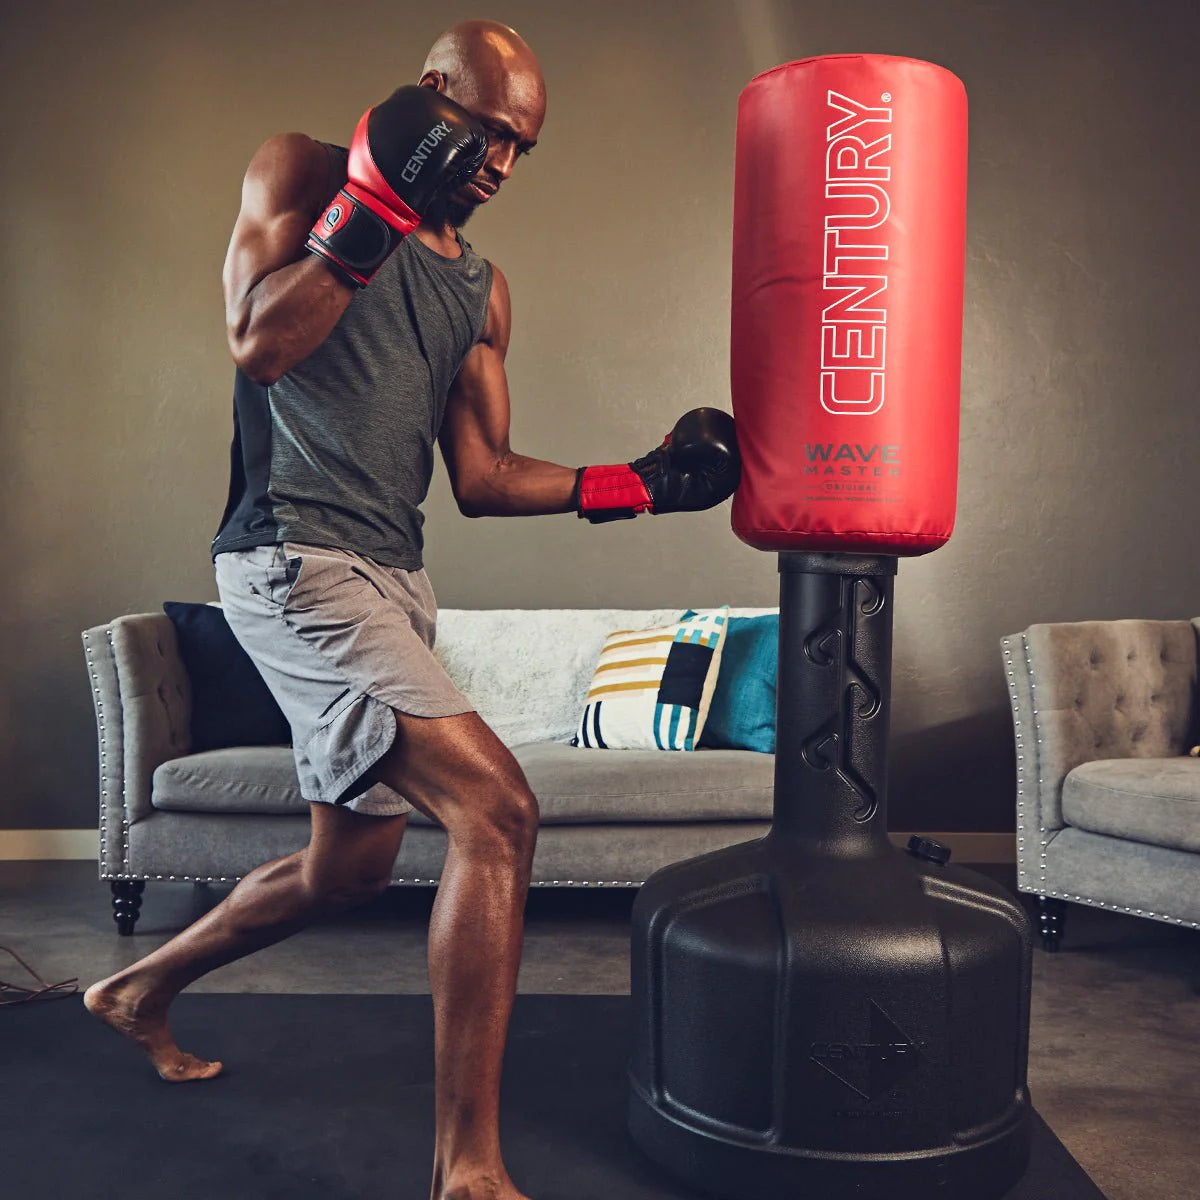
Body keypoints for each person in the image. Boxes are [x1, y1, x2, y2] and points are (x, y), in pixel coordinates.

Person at [83, 18, 738, 1200]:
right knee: (499, 810)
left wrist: (638, 483)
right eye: (486, 133)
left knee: (349, 871)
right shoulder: (301, 171)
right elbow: (258, 342)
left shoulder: (482, 290)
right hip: (294, 561)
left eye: (521, 148)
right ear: (432, 93)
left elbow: (484, 477)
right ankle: (467, 1170)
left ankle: (136, 989)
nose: (501, 163)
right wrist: (374, 208)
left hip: (396, 579)